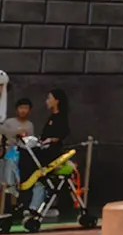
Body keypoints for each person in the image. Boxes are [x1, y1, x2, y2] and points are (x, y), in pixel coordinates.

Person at [20, 90, 69, 224]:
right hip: (42, 150)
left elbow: (62, 134)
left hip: (51, 153)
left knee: (37, 174)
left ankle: (34, 206)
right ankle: (31, 206)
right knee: (39, 181)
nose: (47, 101)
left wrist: (50, 140)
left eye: (49, 98)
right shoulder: (51, 118)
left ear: (56, 100)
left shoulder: (61, 118)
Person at [0, 98, 34, 221]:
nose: (23, 110)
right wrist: (16, 132)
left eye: (26, 108)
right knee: (8, 180)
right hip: (8, 156)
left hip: (24, 157)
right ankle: (7, 207)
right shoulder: (9, 122)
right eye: (21, 108)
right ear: (16, 109)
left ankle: (19, 206)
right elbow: (4, 133)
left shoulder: (30, 125)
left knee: (21, 181)